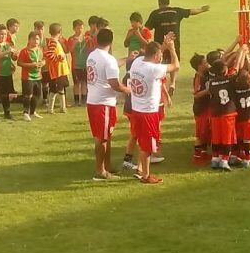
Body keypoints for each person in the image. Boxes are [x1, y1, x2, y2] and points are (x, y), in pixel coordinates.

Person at [129, 37, 180, 184]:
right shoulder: (154, 69)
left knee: (142, 141)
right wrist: (172, 48)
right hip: (148, 112)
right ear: (156, 56)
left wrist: (162, 46)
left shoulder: (138, 62)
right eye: (160, 55)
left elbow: (154, 55)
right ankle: (145, 175)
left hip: (136, 109)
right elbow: (175, 66)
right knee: (148, 146)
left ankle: (142, 170)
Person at [86, 28, 131, 182]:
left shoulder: (92, 55)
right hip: (103, 104)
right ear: (111, 42)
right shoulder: (108, 59)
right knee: (102, 138)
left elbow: (109, 67)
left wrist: (127, 58)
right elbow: (114, 84)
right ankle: (100, 171)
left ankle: (107, 166)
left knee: (105, 136)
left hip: (93, 101)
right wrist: (128, 90)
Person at [145, 0, 209, 93]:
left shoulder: (155, 14)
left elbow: (147, 28)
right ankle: (173, 83)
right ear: (168, 2)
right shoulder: (176, 11)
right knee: (174, 61)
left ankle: (161, 83)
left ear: (159, 3)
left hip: (160, 43)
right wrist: (202, 9)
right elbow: (191, 11)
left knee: (159, 62)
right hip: (174, 43)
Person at [17, 32, 45, 121]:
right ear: (29, 40)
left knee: (37, 94)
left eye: (37, 39)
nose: (36, 41)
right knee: (28, 95)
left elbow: (44, 59)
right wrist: (31, 65)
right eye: (34, 39)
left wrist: (43, 63)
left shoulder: (40, 50)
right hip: (28, 77)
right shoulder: (24, 51)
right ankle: (25, 113)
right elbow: (19, 63)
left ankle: (33, 112)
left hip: (38, 76)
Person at [190, 53, 211, 165]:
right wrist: (208, 90)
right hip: (200, 108)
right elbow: (196, 94)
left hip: (206, 107)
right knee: (200, 132)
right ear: (200, 66)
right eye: (205, 62)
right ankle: (197, 157)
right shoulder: (199, 77)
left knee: (206, 131)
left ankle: (203, 153)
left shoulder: (207, 73)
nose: (208, 64)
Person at [44, 23, 70, 114]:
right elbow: (49, 54)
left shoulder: (54, 41)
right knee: (54, 90)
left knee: (60, 88)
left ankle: (62, 107)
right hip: (56, 71)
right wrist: (60, 57)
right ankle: (50, 109)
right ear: (60, 32)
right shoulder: (53, 42)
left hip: (61, 70)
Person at [68, 19, 88, 106]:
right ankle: (76, 101)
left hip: (85, 65)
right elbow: (70, 50)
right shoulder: (71, 38)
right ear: (74, 28)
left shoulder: (86, 38)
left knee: (84, 82)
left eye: (81, 28)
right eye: (78, 28)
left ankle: (84, 100)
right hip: (75, 66)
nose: (80, 30)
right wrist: (75, 42)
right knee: (76, 84)